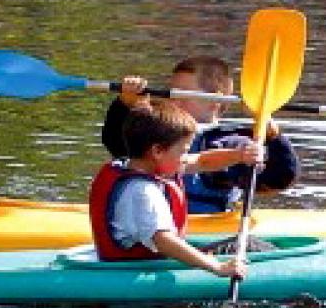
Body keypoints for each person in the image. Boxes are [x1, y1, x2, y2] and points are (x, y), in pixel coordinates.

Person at [101, 56, 298, 214]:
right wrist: (127, 105)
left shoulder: (229, 141)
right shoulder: (160, 131)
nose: (174, 101)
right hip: (150, 219)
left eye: (184, 93)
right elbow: (117, 146)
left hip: (203, 232)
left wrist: (273, 136)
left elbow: (279, 178)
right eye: (173, 93)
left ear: (215, 100)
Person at [89, 98, 250, 277]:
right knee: (251, 246)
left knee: (248, 244)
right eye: (183, 151)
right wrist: (216, 267)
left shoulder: (134, 165)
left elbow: (202, 160)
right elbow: (164, 241)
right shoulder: (143, 192)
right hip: (139, 273)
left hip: (135, 263)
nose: (186, 157)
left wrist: (240, 155)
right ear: (157, 151)